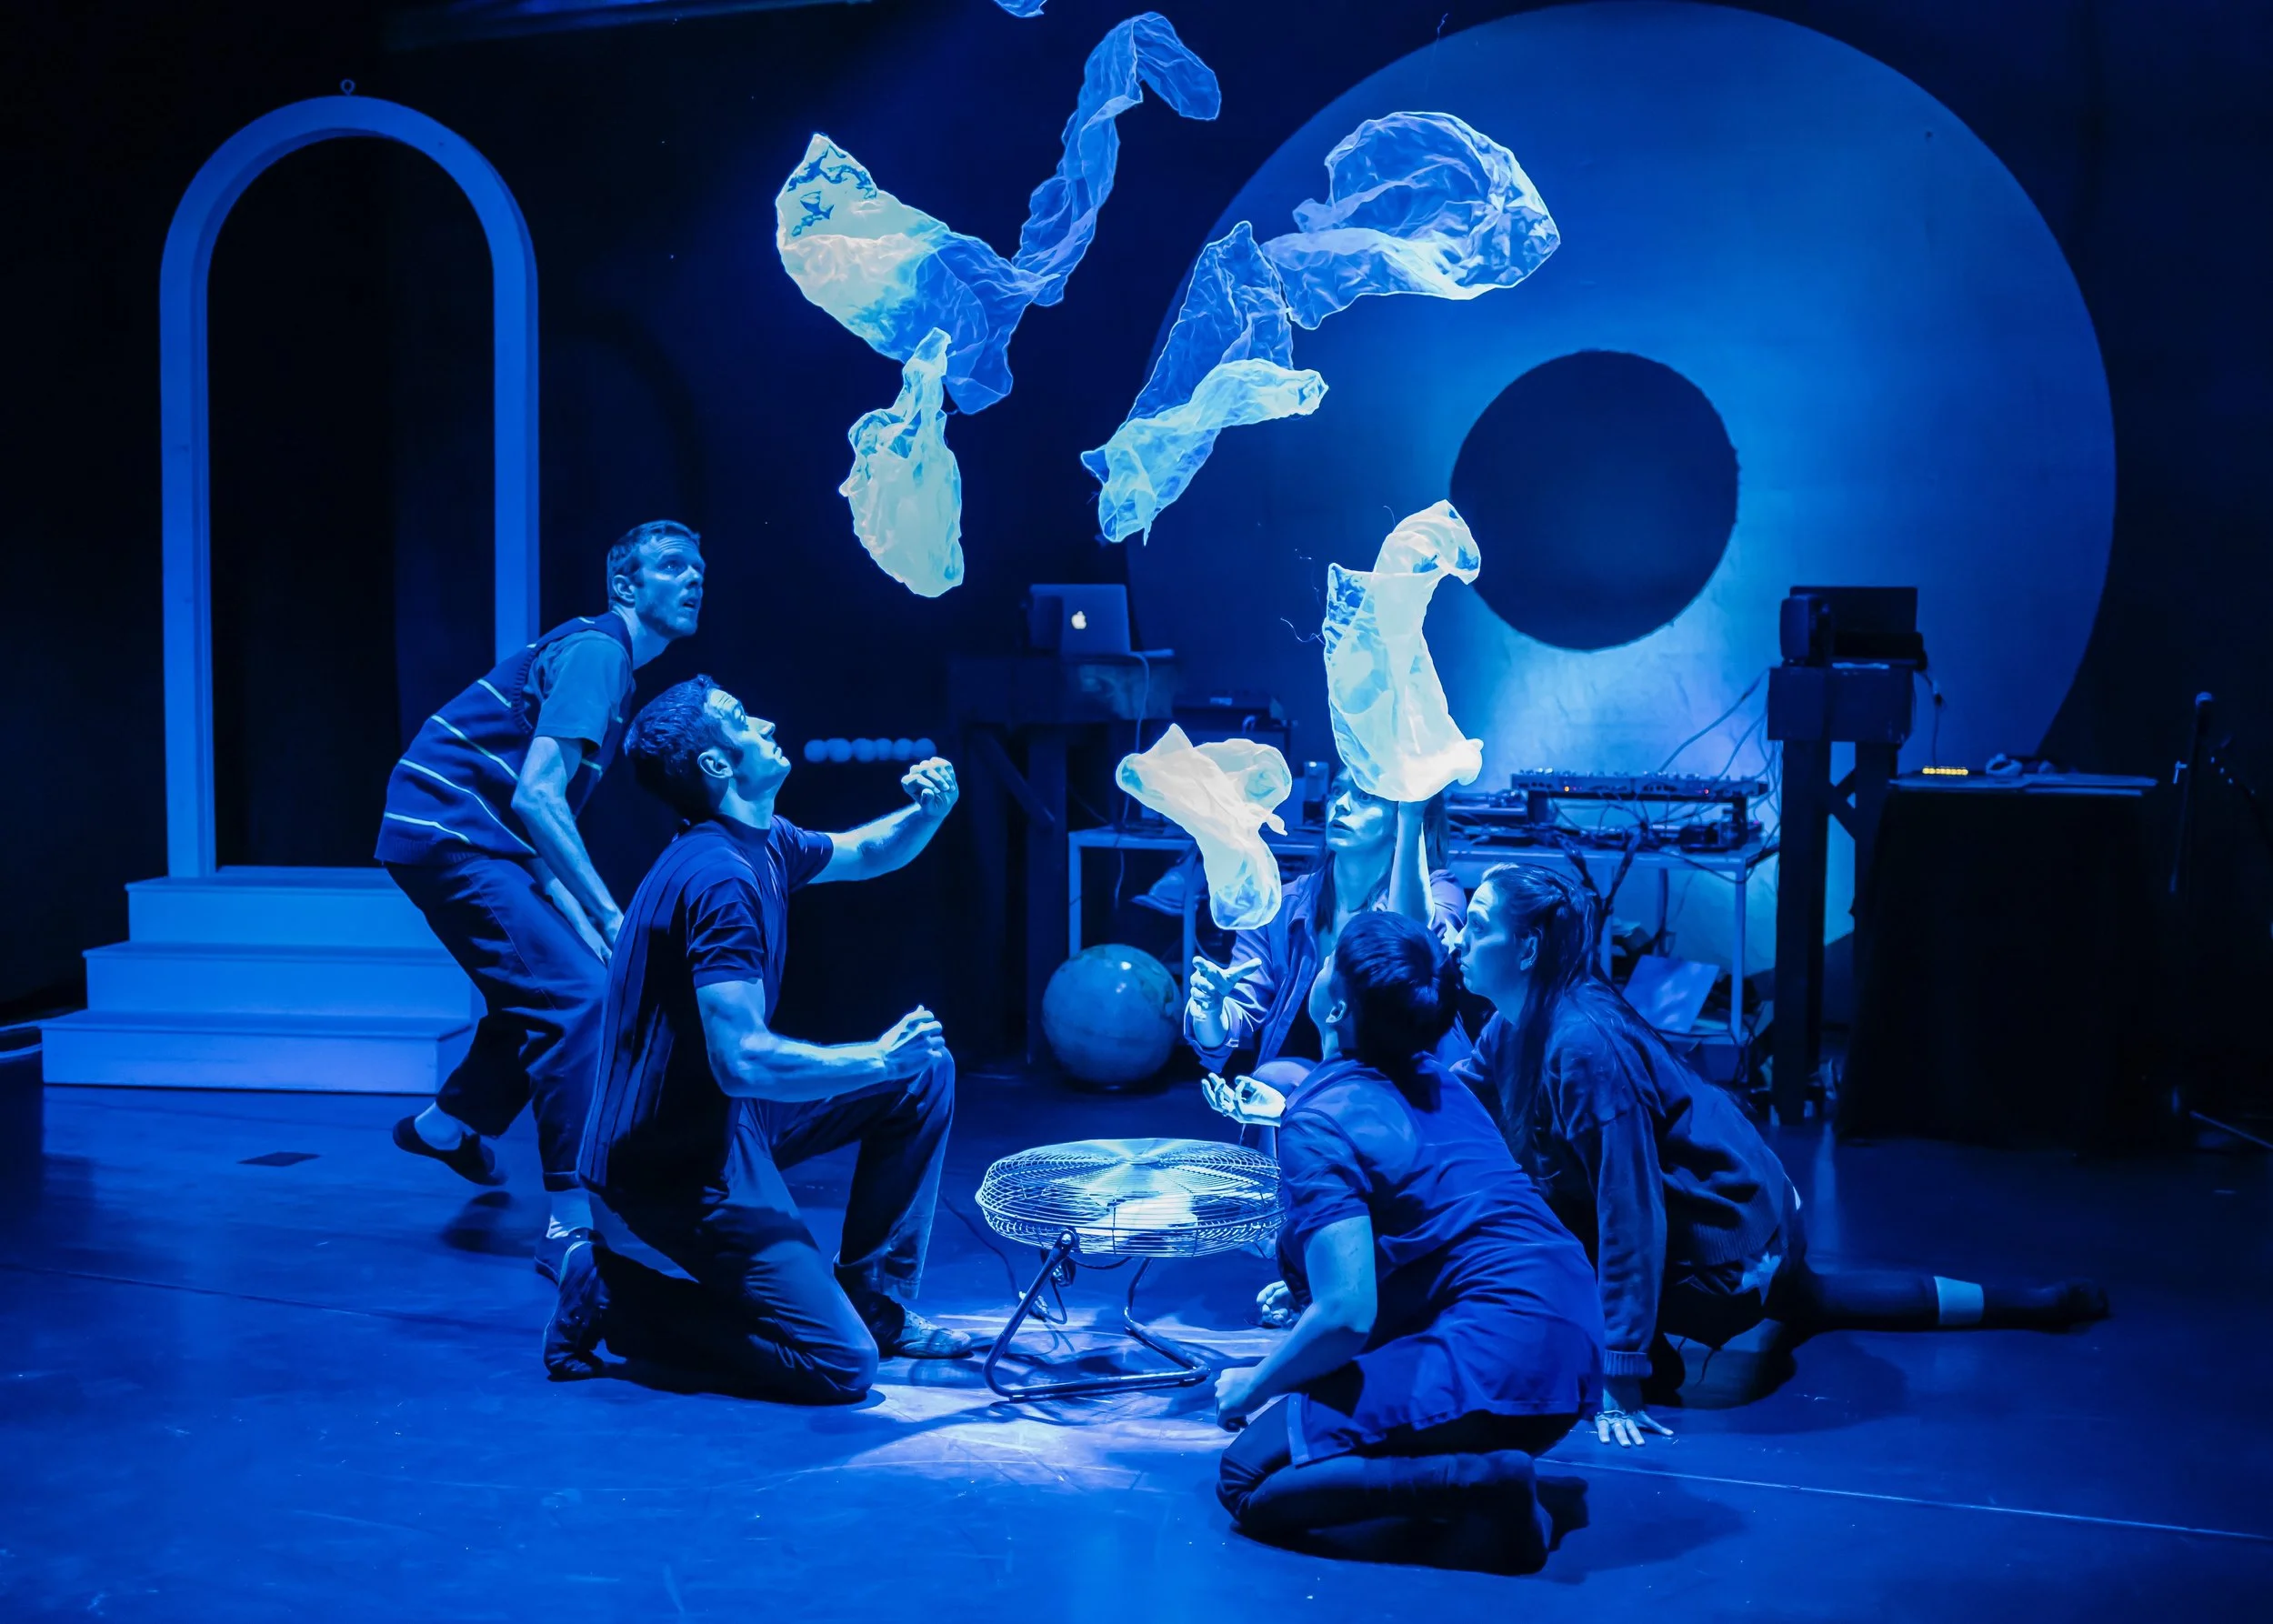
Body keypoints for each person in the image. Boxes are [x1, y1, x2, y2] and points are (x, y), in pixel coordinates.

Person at [1452, 864, 2112, 1447]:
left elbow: (1630, 1212)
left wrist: (1623, 1367)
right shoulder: (1521, 1022)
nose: (1457, 940)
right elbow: (1455, 1096)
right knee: (1813, 1299)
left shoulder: (1580, 1046)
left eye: (1475, 927)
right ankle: (2039, 1302)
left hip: (1733, 1259)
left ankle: (1651, 1344)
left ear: (1528, 948)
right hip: (1762, 1216)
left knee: (1527, 1225)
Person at [544, 676, 972, 1401]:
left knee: (921, 1073)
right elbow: (740, 1061)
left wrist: (928, 813)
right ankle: (615, 1293)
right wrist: (873, 1056)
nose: (767, 720)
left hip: (724, 1121)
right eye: (742, 719)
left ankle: (877, 1302)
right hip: (675, 1163)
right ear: (717, 765)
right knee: (841, 1365)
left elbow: (865, 852)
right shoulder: (718, 879)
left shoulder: (761, 842)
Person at [1210, 911, 1603, 1574]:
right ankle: (1489, 1465)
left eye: (1330, 958)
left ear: (1336, 1009)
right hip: (1572, 1341)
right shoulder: (1444, 1081)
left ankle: (1483, 1483)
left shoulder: (1319, 1119)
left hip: (1500, 1357)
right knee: (1333, 1410)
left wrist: (1252, 1386)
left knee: (1244, 1479)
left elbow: (1345, 1316)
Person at [378, 519, 706, 1279]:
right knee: (583, 1001)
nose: (692, 579)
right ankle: (568, 1224)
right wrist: (615, 919)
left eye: (697, 568)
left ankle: (447, 1124)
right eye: (670, 566)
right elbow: (537, 798)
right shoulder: (601, 653)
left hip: (476, 835)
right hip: (452, 832)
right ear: (626, 585)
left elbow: (538, 811)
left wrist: (582, 915)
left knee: (552, 979)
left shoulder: (607, 660)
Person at [1187, 773, 1467, 1104]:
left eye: (1365, 797)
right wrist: (1211, 1010)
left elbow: (1407, 943)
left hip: (1406, 1082)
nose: (1342, 805)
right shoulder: (1282, 905)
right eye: (1337, 791)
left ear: (1402, 813)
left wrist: (1411, 818)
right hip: (1305, 1081)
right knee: (1270, 1080)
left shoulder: (1439, 891)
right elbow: (1231, 1022)